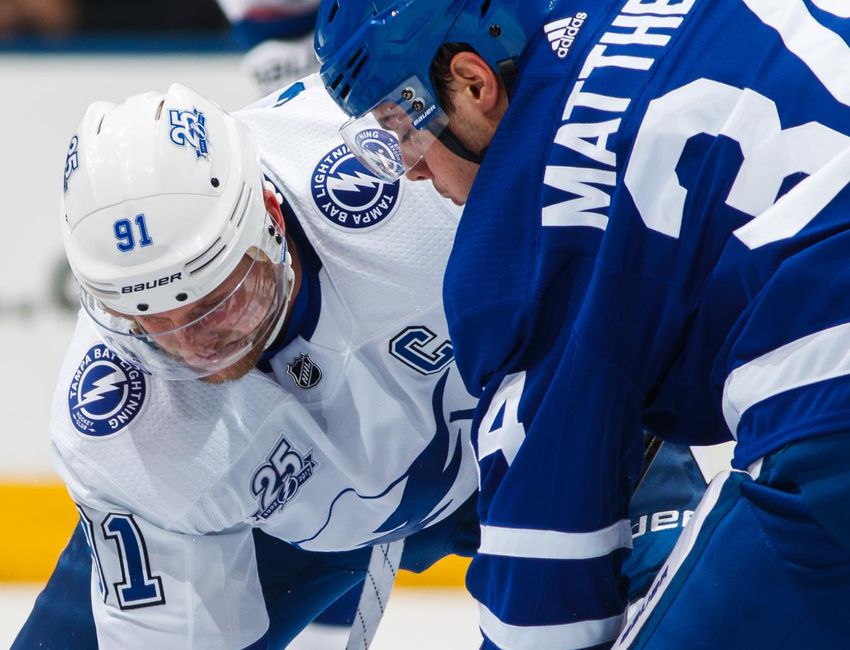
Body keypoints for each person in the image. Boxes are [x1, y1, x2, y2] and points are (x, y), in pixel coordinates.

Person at [315, 1, 850, 649]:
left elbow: (544, 602)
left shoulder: (516, 238)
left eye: (401, 128)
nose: (412, 168)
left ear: (474, 82)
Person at [16, 78, 482, 649]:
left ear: (270, 215)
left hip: (508, 441)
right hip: (274, 524)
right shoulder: (119, 419)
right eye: (152, 319)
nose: (195, 346)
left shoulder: (414, 175)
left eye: (212, 301)